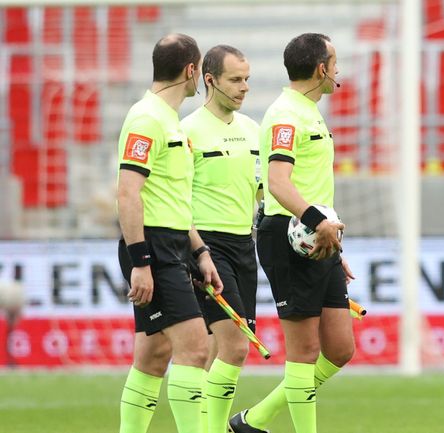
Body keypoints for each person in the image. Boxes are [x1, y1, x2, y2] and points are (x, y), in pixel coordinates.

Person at [229, 33, 355, 433]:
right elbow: (278, 182)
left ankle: (252, 421)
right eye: (335, 63)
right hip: (290, 233)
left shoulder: (309, 110)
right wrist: (318, 223)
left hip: (318, 236)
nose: (338, 70)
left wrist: (329, 237)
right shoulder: (286, 114)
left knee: (339, 349)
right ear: (322, 69)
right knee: (304, 351)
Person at [116, 33, 223, 433]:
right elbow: (128, 193)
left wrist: (200, 252)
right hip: (153, 247)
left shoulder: (168, 121)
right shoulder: (147, 119)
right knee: (195, 348)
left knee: (154, 353)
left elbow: (172, 198)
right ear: (192, 70)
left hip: (173, 244)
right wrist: (141, 261)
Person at [180, 44, 261, 433]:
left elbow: (263, 190)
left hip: (246, 245)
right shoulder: (187, 131)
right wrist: (198, 250)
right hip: (207, 246)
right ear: (209, 80)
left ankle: (202, 426)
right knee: (236, 345)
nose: (244, 87)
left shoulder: (252, 130)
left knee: (219, 348)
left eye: (247, 79)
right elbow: (175, 199)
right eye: (235, 79)